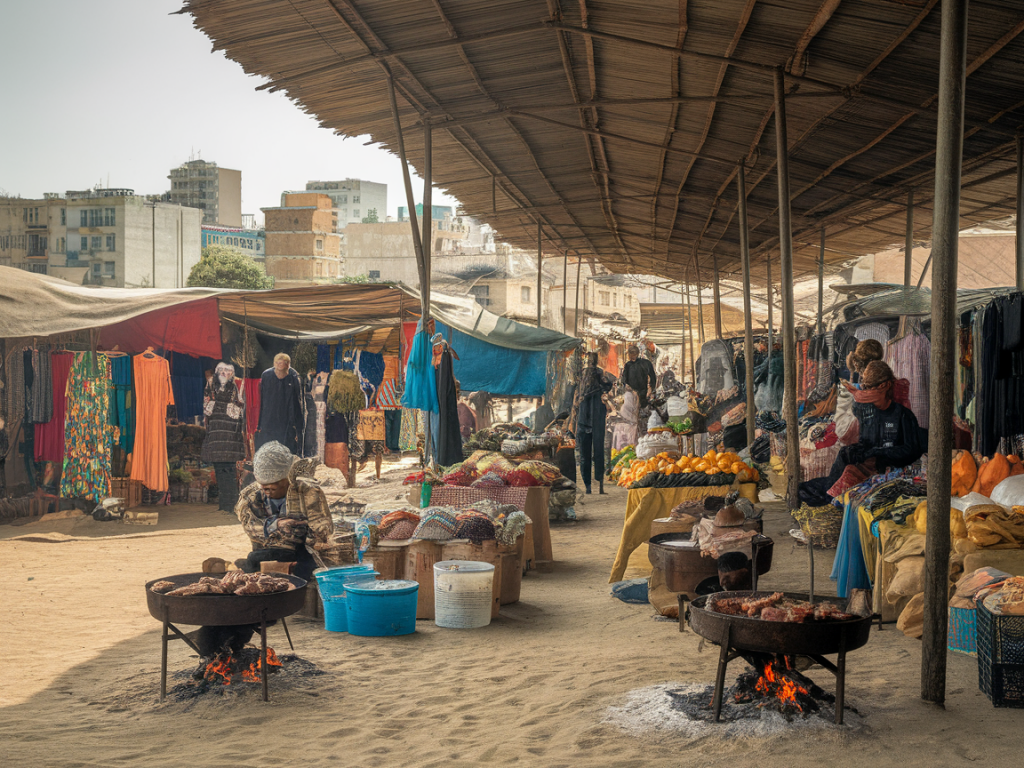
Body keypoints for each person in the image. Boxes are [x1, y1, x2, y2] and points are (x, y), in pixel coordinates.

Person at [800, 361, 924, 505]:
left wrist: (876, 452)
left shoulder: (903, 415)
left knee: (830, 491)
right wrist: (859, 451)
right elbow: (865, 441)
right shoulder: (867, 412)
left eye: (871, 388)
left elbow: (910, 450)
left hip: (890, 473)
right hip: (868, 468)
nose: (866, 392)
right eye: (865, 388)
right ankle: (828, 495)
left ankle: (829, 497)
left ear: (885, 386)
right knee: (807, 488)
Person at [234, 441, 333, 580]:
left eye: (273, 488)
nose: (268, 492)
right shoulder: (250, 495)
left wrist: (304, 529)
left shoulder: (308, 492)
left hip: (303, 551)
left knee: (305, 571)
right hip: (266, 551)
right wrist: (276, 525)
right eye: (264, 487)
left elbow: (322, 528)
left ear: (288, 479)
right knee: (254, 568)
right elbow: (251, 526)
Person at [201, 362, 246, 513]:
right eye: (222, 371)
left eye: (227, 371)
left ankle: (229, 504)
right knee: (223, 470)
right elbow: (207, 408)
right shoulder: (213, 385)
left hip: (226, 433)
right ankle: (227, 504)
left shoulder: (234, 386)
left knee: (227, 470)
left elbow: (207, 408)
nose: (224, 374)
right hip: (220, 432)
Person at [571, 352, 614, 494]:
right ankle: (596, 486)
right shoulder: (598, 374)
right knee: (595, 453)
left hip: (588, 418)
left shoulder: (585, 375)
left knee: (588, 454)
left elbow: (608, 385)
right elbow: (609, 384)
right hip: (592, 418)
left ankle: (591, 486)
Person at [255, 353, 305, 454]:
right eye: (277, 363)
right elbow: (262, 400)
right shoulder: (267, 376)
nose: (279, 365)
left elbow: (297, 401)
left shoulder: (294, 376)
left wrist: (298, 424)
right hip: (270, 418)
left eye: (282, 363)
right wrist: (260, 423)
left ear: (288, 364)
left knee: (286, 447)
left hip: (286, 419)